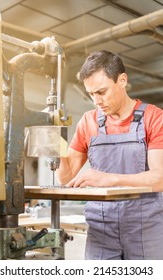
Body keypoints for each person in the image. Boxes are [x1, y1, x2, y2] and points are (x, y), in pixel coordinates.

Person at [57, 50, 163, 260]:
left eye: (102, 91)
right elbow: (66, 177)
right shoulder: (88, 121)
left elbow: (159, 178)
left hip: (146, 227)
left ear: (122, 80)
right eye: (91, 94)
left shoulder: (154, 117)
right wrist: (53, 140)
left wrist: (109, 179)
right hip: (101, 229)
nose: (96, 101)